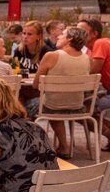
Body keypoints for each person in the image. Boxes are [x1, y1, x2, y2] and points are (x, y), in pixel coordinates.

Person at [36, 25, 92, 157]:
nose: (58, 36)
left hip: (52, 108)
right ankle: (63, 146)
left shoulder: (51, 56)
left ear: (69, 39)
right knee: (56, 102)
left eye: (62, 34)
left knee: (26, 103)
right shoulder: (87, 59)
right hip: (77, 107)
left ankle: (33, 145)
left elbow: (35, 85)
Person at [81, 18, 110, 148]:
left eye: (82, 31)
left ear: (94, 34)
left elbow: (92, 71)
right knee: (80, 108)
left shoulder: (100, 43)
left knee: (79, 109)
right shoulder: (91, 49)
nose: (77, 34)